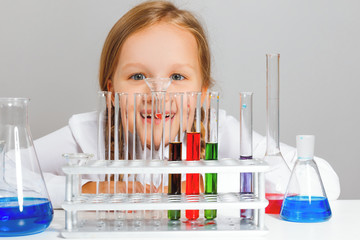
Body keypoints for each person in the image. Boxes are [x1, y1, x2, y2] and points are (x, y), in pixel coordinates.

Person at [34, 1, 340, 208]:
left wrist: (201, 185)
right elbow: (6, 173)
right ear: (111, 91)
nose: (158, 93)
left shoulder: (220, 132)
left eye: (178, 76)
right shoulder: (87, 133)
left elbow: (323, 178)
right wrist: (84, 190)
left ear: (204, 93)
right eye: (138, 75)